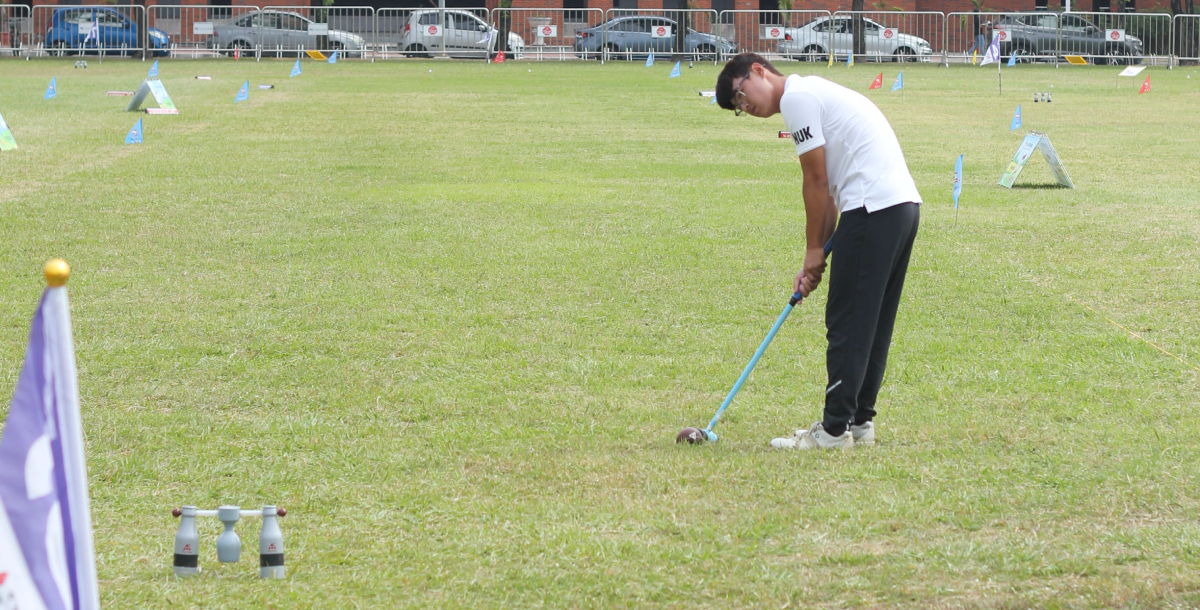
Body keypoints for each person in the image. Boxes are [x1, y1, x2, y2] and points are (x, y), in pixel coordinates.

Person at [714, 53, 921, 450]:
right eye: (738, 108)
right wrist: (816, 256)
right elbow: (826, 192)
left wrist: (813, 248)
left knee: (848, 322)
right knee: (871, 323)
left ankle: (833, 431)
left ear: (759, 71)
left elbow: (815, 178)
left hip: (872, 207)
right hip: (900, 208)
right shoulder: (814, 92)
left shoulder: (797, 97)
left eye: (741, 95)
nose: (747, 107)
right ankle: (858, 422)